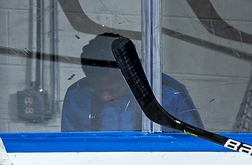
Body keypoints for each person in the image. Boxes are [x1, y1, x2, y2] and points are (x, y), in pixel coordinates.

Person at [61, 33, 202, 132]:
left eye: (113, 90)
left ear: (132, 76)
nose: (105, 97)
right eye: (97, 90)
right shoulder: (76, 96)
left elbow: (194, 146)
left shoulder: (170, 92)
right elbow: (68, 151)